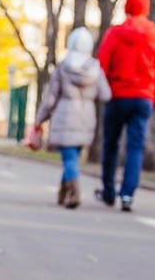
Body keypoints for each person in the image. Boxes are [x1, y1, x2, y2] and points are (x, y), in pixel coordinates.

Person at [96, 0, 155, 212]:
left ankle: (109, 191)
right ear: (146, 9)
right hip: (143, 98)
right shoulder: (154, 35)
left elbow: (102, 64)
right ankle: (127, 194)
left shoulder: (115, 33)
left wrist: (105, 89)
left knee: (110, 144)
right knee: (135, 147)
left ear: (126, 8)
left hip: (117, 96)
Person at [33, 27, 111, 208]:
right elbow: (106, 94)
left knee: (68, 158)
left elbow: (51, 98)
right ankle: (63, 192)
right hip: (86, 118)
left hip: (65, 117)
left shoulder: (64, 67)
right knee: (72, 157)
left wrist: (40, 119)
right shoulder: (95, 68)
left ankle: (74, 192)